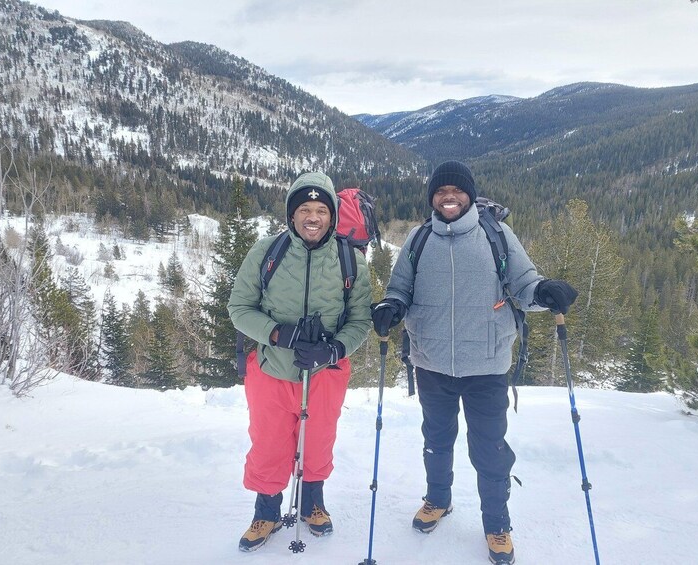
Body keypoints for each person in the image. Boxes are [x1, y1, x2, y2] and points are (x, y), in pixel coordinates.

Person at [371, 161, 578, 565]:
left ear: (469, 195)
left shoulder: (496, 235)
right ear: (432, 197)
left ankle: (497, 523)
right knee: (436, 439)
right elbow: (400, 289)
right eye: (440, 190)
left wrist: (545, 292)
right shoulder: (418, 238)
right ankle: (438, 499)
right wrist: (391, 308)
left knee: (489, 447)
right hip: (430, 362)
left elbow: (524, 285)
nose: (449, 196)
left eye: (457, 190)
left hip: (486, 363)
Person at [228, 171, 372, 552]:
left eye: (321, 209)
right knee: (269, 442)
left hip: (326, 372)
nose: (313, 217)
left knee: (319, 439)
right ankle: (267, 512)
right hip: (272, 369)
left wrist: (333, 350)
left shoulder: (351, 260)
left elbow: (360, 322)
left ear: (332, 216)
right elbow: (239, 308)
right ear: (292, 215)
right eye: (304, 209)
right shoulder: (266, 251)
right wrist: (278, 333)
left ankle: (312, 504)